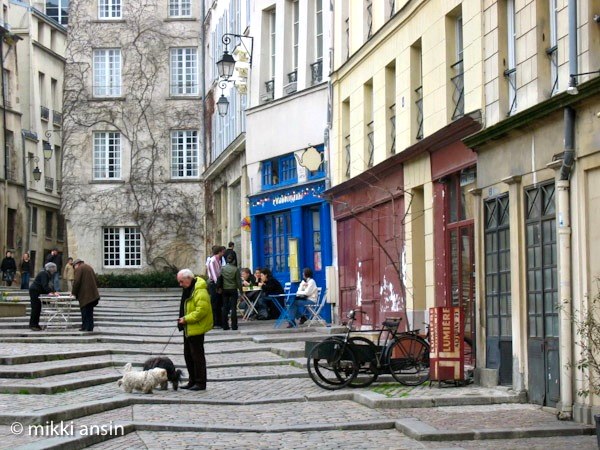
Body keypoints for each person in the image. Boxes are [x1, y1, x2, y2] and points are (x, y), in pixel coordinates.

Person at [177, 268, 213, 391]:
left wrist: (186, 319)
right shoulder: (189, 289)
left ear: (188, 278)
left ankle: (200, 382)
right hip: (188, 327)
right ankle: (192, 380)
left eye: (181, 281)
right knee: (188, 355)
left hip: (196, 327)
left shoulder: (200, 290)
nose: (180, 284)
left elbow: (202, 310)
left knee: (197, 356)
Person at [71, 259, 100, 332]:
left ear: (77, 264)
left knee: (85, 311)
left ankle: (85, 327)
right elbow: (96, 280)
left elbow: (76, 282)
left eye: (74, 267)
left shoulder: (80, 268)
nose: (74, 269)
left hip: (85, 294)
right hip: (92, 294)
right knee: (90, 311)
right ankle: (90, 327)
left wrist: (73, 292)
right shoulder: (89, 267)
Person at [28, 262, 58, 331]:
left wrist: (54, 291)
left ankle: (36, 324)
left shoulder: (47, 274)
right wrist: (51, 292)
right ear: (50, 269)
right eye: (53, 269)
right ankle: (33, 325)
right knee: (35, 308)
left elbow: (50, 285)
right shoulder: (44, 274)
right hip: (34, 291)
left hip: (38, 291)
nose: (54, 271)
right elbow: (45, 285)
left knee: (38, 308)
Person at [220, 253, 242, 331]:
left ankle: (225, 325)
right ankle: (234, 325)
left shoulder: (222, 268)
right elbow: (239, 282)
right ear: (234, 260)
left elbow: (220, 279)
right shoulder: (236, 269)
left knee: (225, 307)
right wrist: (241, 291)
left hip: (225, 289)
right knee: (233, 308)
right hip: (233, 289)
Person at [206, 245, 225, 328]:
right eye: (222, 251)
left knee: (219, 304)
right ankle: (215, 322)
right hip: (214, 284)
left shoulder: (218, 260)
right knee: (215, 304)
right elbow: (214, 275)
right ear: (219, 252)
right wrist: (218, 286)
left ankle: (219, 321)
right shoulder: (213, 261)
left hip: (217, 284)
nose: (223, 253)